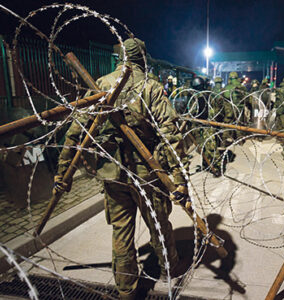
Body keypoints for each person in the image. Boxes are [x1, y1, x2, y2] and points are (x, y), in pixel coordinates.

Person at [55, 38, 186, 299]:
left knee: (121, 230)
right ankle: (169, 268)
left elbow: (75, 132)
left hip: (113, 173)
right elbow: (170, 133)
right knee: (158, 224)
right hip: (147, 173)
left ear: (121, 57)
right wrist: (179, 178)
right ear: (143, 58)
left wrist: (62, 170)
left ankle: (126, 288)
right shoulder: (150, 87)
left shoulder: (102, 84)